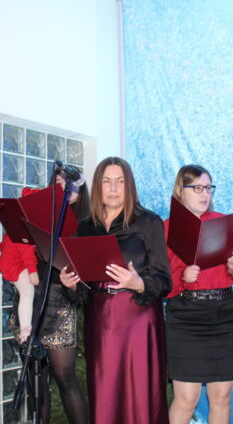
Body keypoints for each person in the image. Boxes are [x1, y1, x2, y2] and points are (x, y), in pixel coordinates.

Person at [60, 156, 171, 424]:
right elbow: (83, 289)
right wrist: (71, 284)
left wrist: (138, 283)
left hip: (138, 319)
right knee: (105, 396)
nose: (113, 188)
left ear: (129, 186)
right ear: (98, 186)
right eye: (107, 181)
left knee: (140, 399)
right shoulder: (85, 226)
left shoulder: (149, 222)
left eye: (120, 181)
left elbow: (164, 280)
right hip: (99, 321)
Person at [0, 167, 89, 424]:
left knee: (65, 378)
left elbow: (86, 284)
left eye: (70, 186)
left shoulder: (84, 225)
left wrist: (72, 286)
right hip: (29, 303)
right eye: (58, 183)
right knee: (34, 381)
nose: (64, 189)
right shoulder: (37, 213)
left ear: (81, 191)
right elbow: (18, 251)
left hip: (59, 304)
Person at [164, 165, 233, 424]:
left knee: (222, 396)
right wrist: (183, 278)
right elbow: (161, 283)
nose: (205, 193)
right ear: (180, 190)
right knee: (187, 399)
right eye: (197, 188)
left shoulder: (223, 223)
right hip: (186, 319)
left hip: (224, 315)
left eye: (208, 188)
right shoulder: (166, 228)